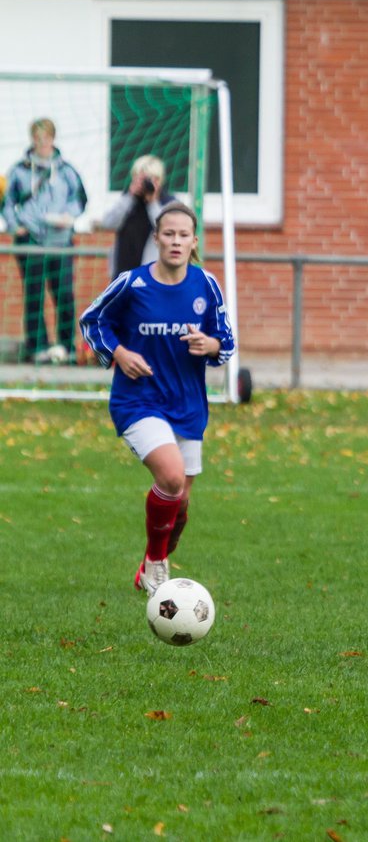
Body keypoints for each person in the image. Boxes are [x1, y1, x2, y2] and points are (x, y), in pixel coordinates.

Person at [79, 202, 237, 595]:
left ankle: (155, 563)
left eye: (184, 235)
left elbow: (228, 343)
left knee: (181, 503)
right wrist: (119, 353)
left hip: (187, 405)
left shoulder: (206, 285)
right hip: (139, 401)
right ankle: (155, 563)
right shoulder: (132, 284)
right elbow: (92, 320)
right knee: (170, 476)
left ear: (194, 241)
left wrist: (210, 343)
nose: (176, 241)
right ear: (156, 238)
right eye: (169, 234)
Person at [2, 117, 87, 364]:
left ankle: (64, 346)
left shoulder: (66, 171)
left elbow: (80, 199)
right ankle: (36, 345)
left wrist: (67, 216)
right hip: (31, 240)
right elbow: (7, 203)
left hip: (60, 240)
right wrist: (15, 226)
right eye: (37, 138)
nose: (42, 142)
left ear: (53, 138)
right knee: (34, 293)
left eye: (46, 137)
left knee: (63, 294)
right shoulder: (19, 171)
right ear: (32, 139)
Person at [100, 154, 177, 276]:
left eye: (152, 179)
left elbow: (168, 228)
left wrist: (152, 202)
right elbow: (107, 223)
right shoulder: (128, 200)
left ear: (160, 180)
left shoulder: (168, 202)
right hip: (123, 272)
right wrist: (130, 197)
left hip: (152, 274)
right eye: (142, 179)